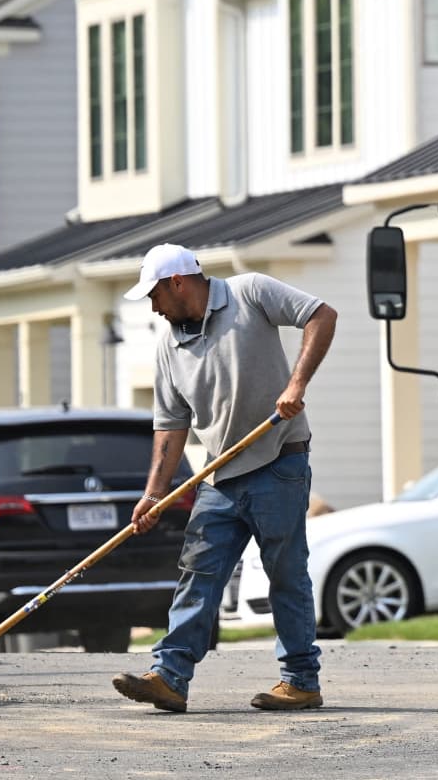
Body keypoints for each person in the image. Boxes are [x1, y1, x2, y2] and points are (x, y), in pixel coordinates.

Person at [109, 243, 338, 714]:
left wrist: (296, 385)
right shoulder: (169, 347)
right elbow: (171, 428)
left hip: (279, 462)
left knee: (285, 575)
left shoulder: (249, 293)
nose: (152, 307)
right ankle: (170, 677)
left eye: (153, 295)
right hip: (219, 476)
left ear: (177, 283)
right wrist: (153, 495)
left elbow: (321, 315)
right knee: (198, 573)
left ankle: (301, 681)